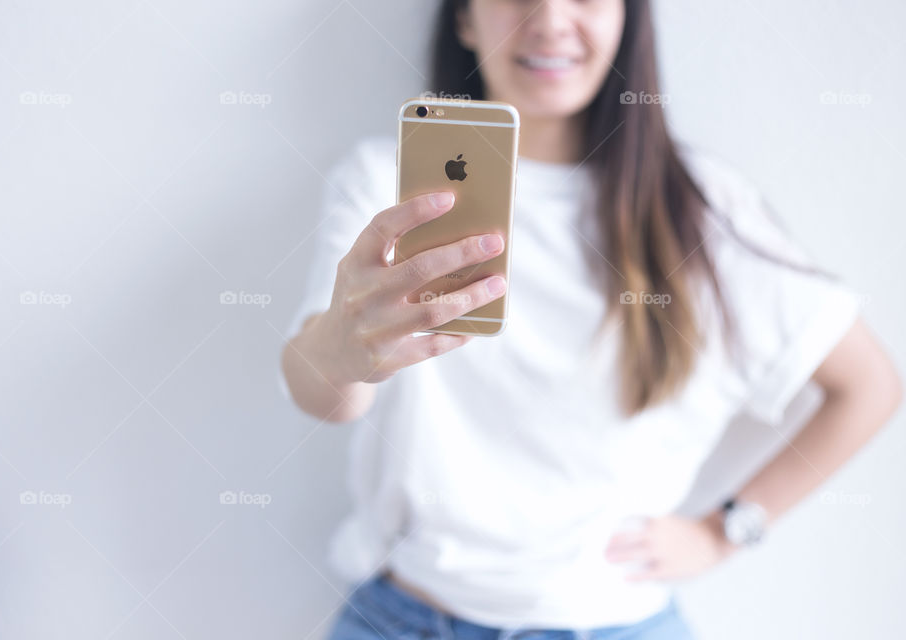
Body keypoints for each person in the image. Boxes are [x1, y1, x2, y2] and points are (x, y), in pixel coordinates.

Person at [280, 1, 902, 638]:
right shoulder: (384, 182)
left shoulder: (701, 209)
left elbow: (869, 386)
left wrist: (725, 532)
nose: (549, 20)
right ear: (464, 19)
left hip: (612, 623)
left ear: (627, 19)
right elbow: (326, 397)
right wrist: (340, 351)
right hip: (403, 615)